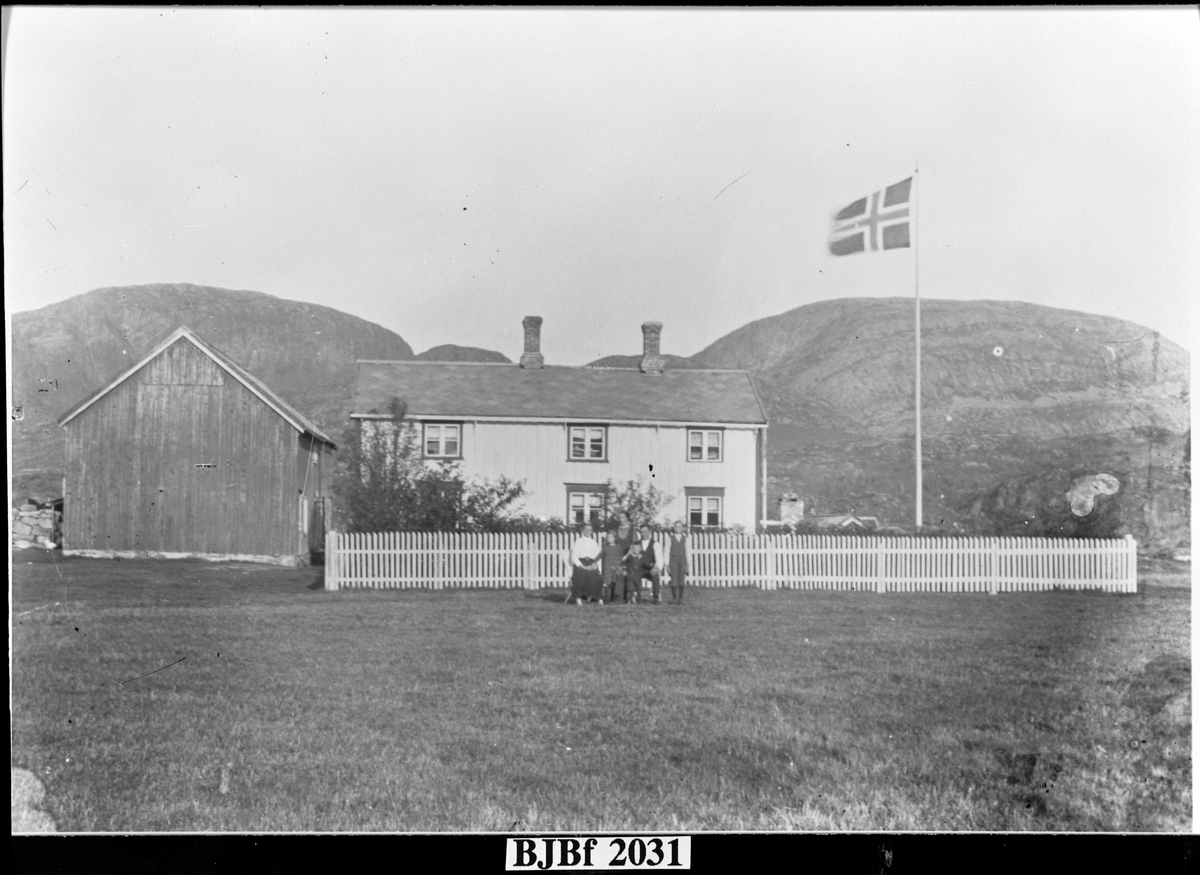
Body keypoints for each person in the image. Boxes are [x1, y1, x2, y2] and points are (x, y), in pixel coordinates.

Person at [568, 522, 604, 605]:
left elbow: (598, 556)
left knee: (597, 577)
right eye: (586, 530)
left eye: (590, 530)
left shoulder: (594, 543)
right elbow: (574, 557)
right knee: (580, 576)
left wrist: (595, 565)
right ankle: (578, 598)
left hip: (592, 563)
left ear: (592, 531)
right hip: (581, 564)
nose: (588, 531)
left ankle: (597, 598)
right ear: (583, 531)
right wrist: (583, 566)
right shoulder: (578, 542)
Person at [635, 525, 662, 603]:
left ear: (650, 532)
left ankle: (656, 597)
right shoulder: (637, 543)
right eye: (641, 532)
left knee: (655, 575)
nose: (643, 534)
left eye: (645, 532)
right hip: (640, 569)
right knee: (632, 576)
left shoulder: (655, 544)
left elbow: (659, 558)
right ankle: (636, 597)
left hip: (650, 569)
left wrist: (656, 568)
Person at [664, 520, 690, 604]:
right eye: (676, 527)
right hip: (673, 560)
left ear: (682, 528)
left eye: (680, 527)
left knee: (681, 579)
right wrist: (667, 565)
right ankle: (675, 598)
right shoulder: (669, 538)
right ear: (673, 528)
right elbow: (666, 551)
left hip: (682, 560)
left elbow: (688, 551)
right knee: (674, 579)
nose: (678, 528)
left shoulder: (686, 538)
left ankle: (681, 598)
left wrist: (688, 564)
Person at [600, 531, 625, 604]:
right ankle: (607, 599)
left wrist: (620, 566)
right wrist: (594, 562)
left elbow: (621, 557)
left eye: (611, 537)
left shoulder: (618, 547)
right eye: (608, 537)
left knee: (615, 583)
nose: (609, 539)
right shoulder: (605, 547)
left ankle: (614, 598)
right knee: (608, 584)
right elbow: (600, 555)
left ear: (615, 538)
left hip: (616, 567)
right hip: (607, 567)